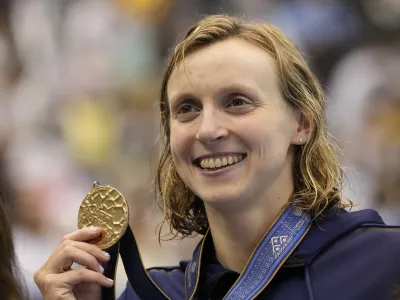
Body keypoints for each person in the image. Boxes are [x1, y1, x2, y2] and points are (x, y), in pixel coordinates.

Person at [34, 14, 400, 300]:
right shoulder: (155, 295)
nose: (208, 130)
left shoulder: (384, 264)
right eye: (187, 109)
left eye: (237, 102)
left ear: (301, 123)